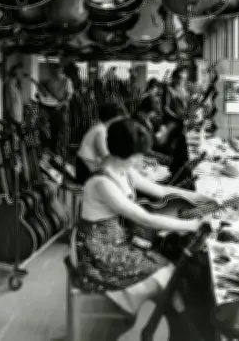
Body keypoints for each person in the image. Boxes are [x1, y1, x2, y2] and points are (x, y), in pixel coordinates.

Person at [72, 118, 212, 317]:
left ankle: (175, 316)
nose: (140, 159)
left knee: (170, 267)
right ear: (124, 153)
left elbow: (161, 191)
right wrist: (194, 225)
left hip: (118, 239)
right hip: (99, 252)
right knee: (168, 273)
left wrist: (199, 197)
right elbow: (145, 219)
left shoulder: (123, 170)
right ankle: (177, 319)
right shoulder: (102, 183)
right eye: (138, 154)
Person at [75, 103, 126, 182]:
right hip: (85, 169)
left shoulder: (100, 127)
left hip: (86, 165)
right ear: (114, 118)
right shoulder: (101, 131)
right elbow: (105, 156)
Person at [39, 63, 74, 156]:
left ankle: (63, 150)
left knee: (63, 129)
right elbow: (49, 93)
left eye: (57, 71)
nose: (55, 73)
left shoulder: (67, 80)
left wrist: (60, 104)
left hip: (63, 108)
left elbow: (69, 96)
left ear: (61, 71)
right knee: (53, 129)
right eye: (54, 71)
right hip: (52, 108)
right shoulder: (52, 80)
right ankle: (54, 150)